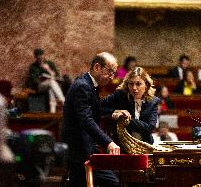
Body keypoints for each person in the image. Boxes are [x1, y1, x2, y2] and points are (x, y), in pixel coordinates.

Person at [62, 52, 120, 187]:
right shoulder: (83, 86)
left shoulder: (88, 84)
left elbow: (94, 110)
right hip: (79, 151)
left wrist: (113, 112)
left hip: (85, 148)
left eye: (114, 73)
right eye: (110, 72)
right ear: (97, 67)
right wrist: (108, 142)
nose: (112, 77)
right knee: (112, 183)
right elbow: (86, 120)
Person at [102, 67, 159, 144]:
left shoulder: (153, 101)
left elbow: (149, 128)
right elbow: (98, 107)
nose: (134, 88)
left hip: (144, 144)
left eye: (138, 84)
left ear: (146, 85)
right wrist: (114, 111)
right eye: (131, 84)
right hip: (121, 143)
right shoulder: (120, 95)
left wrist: (126, 119)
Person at [28, 48, 65, 113]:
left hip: (51, 85)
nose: (40, 59)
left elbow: (57, 76)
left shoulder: (50, 64)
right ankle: (63, 101)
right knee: (51, 82)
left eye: (41, 57)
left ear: (43, 56)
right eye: (38, 57)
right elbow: (34, 81)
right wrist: (41, 79)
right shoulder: (33, 67)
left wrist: (48, 69)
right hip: (40, 87)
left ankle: (52, 111)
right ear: (36, 57)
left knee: (50, 87)